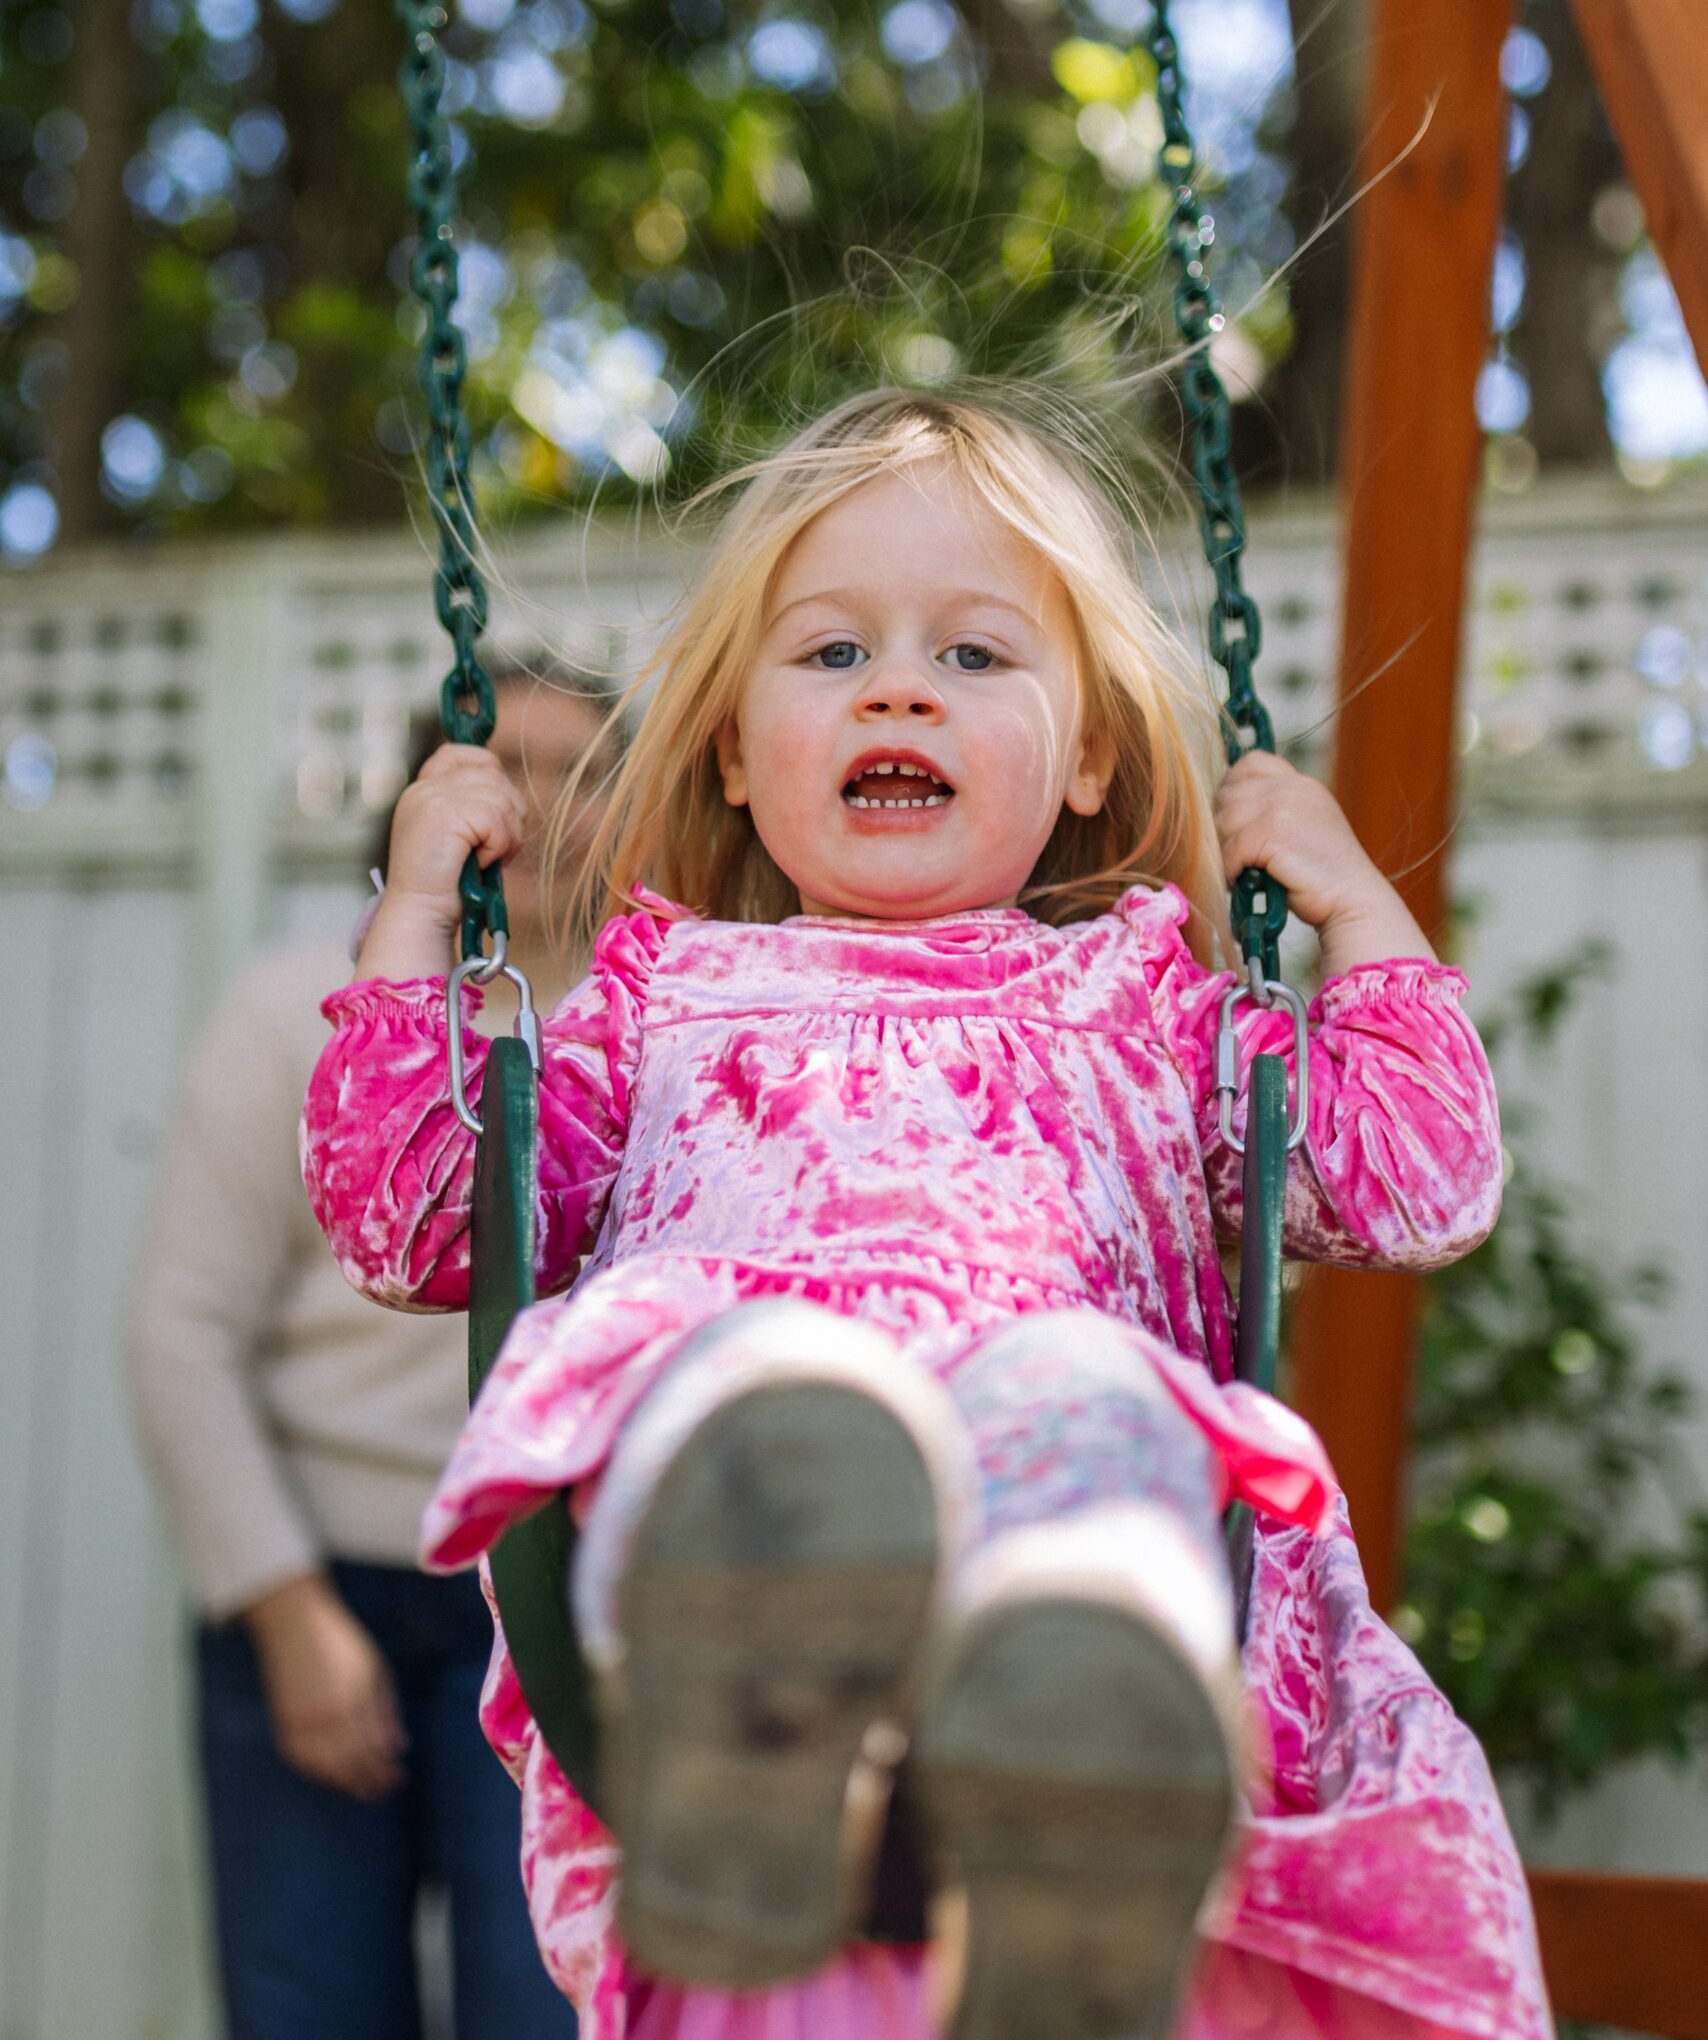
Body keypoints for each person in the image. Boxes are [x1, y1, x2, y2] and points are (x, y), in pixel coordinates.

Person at [300, 390, 1549, 2040]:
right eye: (832, 656)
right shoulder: (654, 1004)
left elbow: (1415, 1175)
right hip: (743, 1497)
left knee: (1091, 1401)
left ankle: (1068, 1788)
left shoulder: (1151, 1007)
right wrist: (409, 917)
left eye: (976, 656)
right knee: (743, 1386)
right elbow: (417, 1216)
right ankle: (761, 1744)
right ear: (737, 753)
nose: (900, 685)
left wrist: (1356, 905)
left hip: (1039, 1479)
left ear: (1092, 748)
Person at [130, 663, 613, 2040]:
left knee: (547, 2006)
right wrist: (286, 1615)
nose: (542, 804)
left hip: (553, 1602)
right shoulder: (301, 1011)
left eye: (580, 770)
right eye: (506, 763)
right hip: (319, 1582)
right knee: (310, 2006)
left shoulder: (646, 1037)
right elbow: (181, 1332)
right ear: (431, 797)